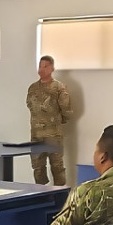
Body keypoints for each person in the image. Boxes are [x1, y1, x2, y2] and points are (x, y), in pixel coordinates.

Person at [26, 54, 72, 186]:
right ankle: (41, 196)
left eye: (45, 66)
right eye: (40, 66)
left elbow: (66, 110)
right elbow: (29, 105)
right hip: (36, 136)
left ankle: (60, 197)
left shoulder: (59, 88)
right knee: (37, 168)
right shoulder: (33, 88)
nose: (42, 69)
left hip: (53, 135)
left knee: (57, 167)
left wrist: (56, 122)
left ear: (52, 68)